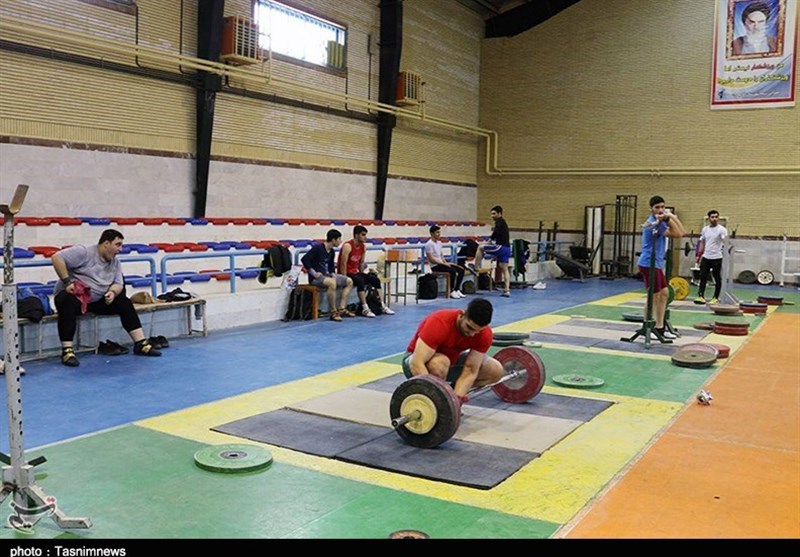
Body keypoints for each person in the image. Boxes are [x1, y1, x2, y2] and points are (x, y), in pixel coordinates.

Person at [51, 229, 161, 367]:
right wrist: (67, 282)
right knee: (67, 301)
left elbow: (118, 284)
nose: (120, 249)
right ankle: (67, 351)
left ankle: (140, 343)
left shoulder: (115, 262)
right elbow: (56, 258)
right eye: (118, 245)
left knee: (124, 302)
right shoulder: (84, 252)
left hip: (96, 300)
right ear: (106, 244)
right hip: (75, 298)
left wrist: (113, 293)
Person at [402, 297, 504, 404]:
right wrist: (433, 397)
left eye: (477, 331)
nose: (472, 334)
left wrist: (457, 399)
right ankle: (437, 397)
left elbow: (471, 370)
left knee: (495, 370)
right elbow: (417, 363)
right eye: (469, 327)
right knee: (440, 363)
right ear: (462, 314)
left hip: (449, 364)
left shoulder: (485, 335)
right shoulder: (439, 322)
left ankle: (449, 393)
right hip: (414, 362)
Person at [637, 196, 687, 340]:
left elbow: (681, 232)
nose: (660, 210)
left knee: (664, 293)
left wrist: (671, 217)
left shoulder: (661, 222)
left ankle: (660, 328)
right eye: (657, 207)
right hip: (648, 263)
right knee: (653, 296)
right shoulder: (653, 223)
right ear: (651, 209)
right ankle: (647, 328)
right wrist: (669, 218)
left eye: (662, 207)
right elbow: (678, 234)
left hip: (657, 263)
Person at [337, 225, 395, 317]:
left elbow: (361, 263)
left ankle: (382, 305)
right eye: (363, 235)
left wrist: (362, 274)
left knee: (374, 279)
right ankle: (365, 308)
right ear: (356, 235)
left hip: (355, 272)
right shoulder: (348, 246)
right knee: (360, 281)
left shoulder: (363, 247)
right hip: (347, 273)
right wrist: (345, 278)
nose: (365, 237)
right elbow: (343, 264)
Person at [301, 229, 354, 322]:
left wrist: (333, 274)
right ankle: (333, 312)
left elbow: (331, 266)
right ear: (333, 240)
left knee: (349, 281)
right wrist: (313, 272)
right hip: (316, 278)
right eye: (339, 239)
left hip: (327, 276)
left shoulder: (332, 252)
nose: (340, 241)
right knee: (332, 283)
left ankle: (341, 308)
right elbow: (304, 260)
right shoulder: (318, 248)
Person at [471, 205, 512, 297]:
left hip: (500, 247)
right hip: (507, 249)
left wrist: (490, 240)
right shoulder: (504, 223)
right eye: (491, 214)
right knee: (504, 269)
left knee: (481, 248)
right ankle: (507, 290)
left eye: (494, 214)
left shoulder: (499, 222)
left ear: (499, 214)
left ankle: (475, 267)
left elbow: (496, 232)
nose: (492, 216)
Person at [694, 210, 729, 305]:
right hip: (706, 257)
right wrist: (698, 255)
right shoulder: (705, 229)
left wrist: (724, 240)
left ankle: (716, 297)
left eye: (716, 217)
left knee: (717, 277)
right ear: (709, 218)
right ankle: (700, 296)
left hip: (717, 257)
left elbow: (726, 241)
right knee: (703, 276)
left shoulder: (722, 229)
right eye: (712, 217)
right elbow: (702, 242)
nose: (714, 219)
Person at [424, 225, 466, 299]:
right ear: (432, 233)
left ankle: (457, 289)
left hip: (442, 264)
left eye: (439, 232)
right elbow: (431, 259)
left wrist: (447, 263)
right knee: (452, 271)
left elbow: (441, 256)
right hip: (435, 266)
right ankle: (451, 291)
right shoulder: (429, 244)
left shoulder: (439, 243)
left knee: (461, 269)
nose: (439, 234)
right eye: (437, 232)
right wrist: (443, 264)